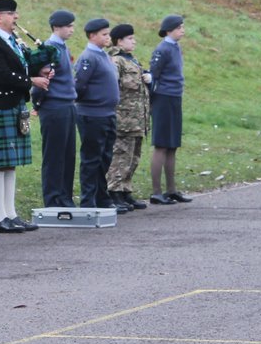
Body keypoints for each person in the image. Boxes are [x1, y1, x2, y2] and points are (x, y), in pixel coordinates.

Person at [0, 0, 51, 233]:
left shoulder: (13, 41)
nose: (16, 17)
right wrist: (31, 80)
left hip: (16, 104)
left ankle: (11, 213)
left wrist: (41, 67)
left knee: (10, 164)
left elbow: (23, 66)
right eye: (12, 13)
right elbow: (1, 75)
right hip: (1, 105)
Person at [75, 18, 123, 210]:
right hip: (92, 115)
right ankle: (88, 200)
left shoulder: (103, 55)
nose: (107, 37)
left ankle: (102, 197)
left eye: (108, 34)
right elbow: (79, 85)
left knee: (104, 158)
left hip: (107, 114)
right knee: (92, 158)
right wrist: (92, 102)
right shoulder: (89, 57)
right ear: (92, 36)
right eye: (104, 34)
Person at [32, 9, 78, 208]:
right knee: (54, 155)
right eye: (68, 26)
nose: (72, 30)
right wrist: (40, 104)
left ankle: (65, 196)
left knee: (68, 155)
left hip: (68, 105)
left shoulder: (63, 47)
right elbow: (40, 81)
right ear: (56, 27)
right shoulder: (49, 48)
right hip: (54, 106)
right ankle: (52, 199)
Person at [148, 14, 192, 205]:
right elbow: (153, 75)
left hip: (174, 97)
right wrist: (152, 100)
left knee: (173, 144)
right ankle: (157, 191)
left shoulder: (176, 47)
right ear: (169, 30)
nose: (182, 30)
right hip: (163, 98)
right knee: (162, 144)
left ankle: (171, 189)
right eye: (179, 27)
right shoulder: (163, 49)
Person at [107, 24, 150, 211]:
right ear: (119, 41)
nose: (134, 41)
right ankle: (114, 191)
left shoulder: (132, 60)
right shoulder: (116, 61)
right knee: (120, 156)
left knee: (134, 156)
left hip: (137, 118)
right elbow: (114, 87)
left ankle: (125, 190)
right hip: (123, 117)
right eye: (130, 38)